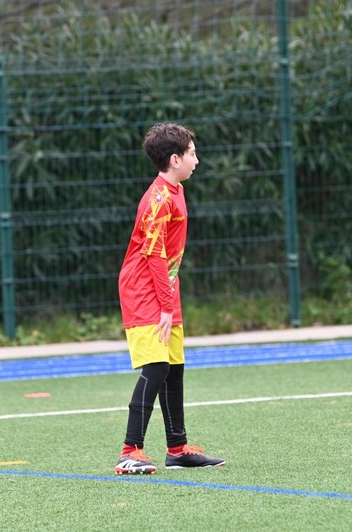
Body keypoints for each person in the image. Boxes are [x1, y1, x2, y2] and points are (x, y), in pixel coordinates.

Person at [115, 123, 226, 475]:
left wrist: (170, 298)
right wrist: (164, 306)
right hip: (143, 290)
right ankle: (129, 451)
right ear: (175, 159)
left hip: (165, 288)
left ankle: (177, 449)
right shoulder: (159, 200)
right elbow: (153, 255)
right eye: (192, 153)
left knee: (174, 366)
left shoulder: (176, 190)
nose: (197, 159)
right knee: (157, 367)